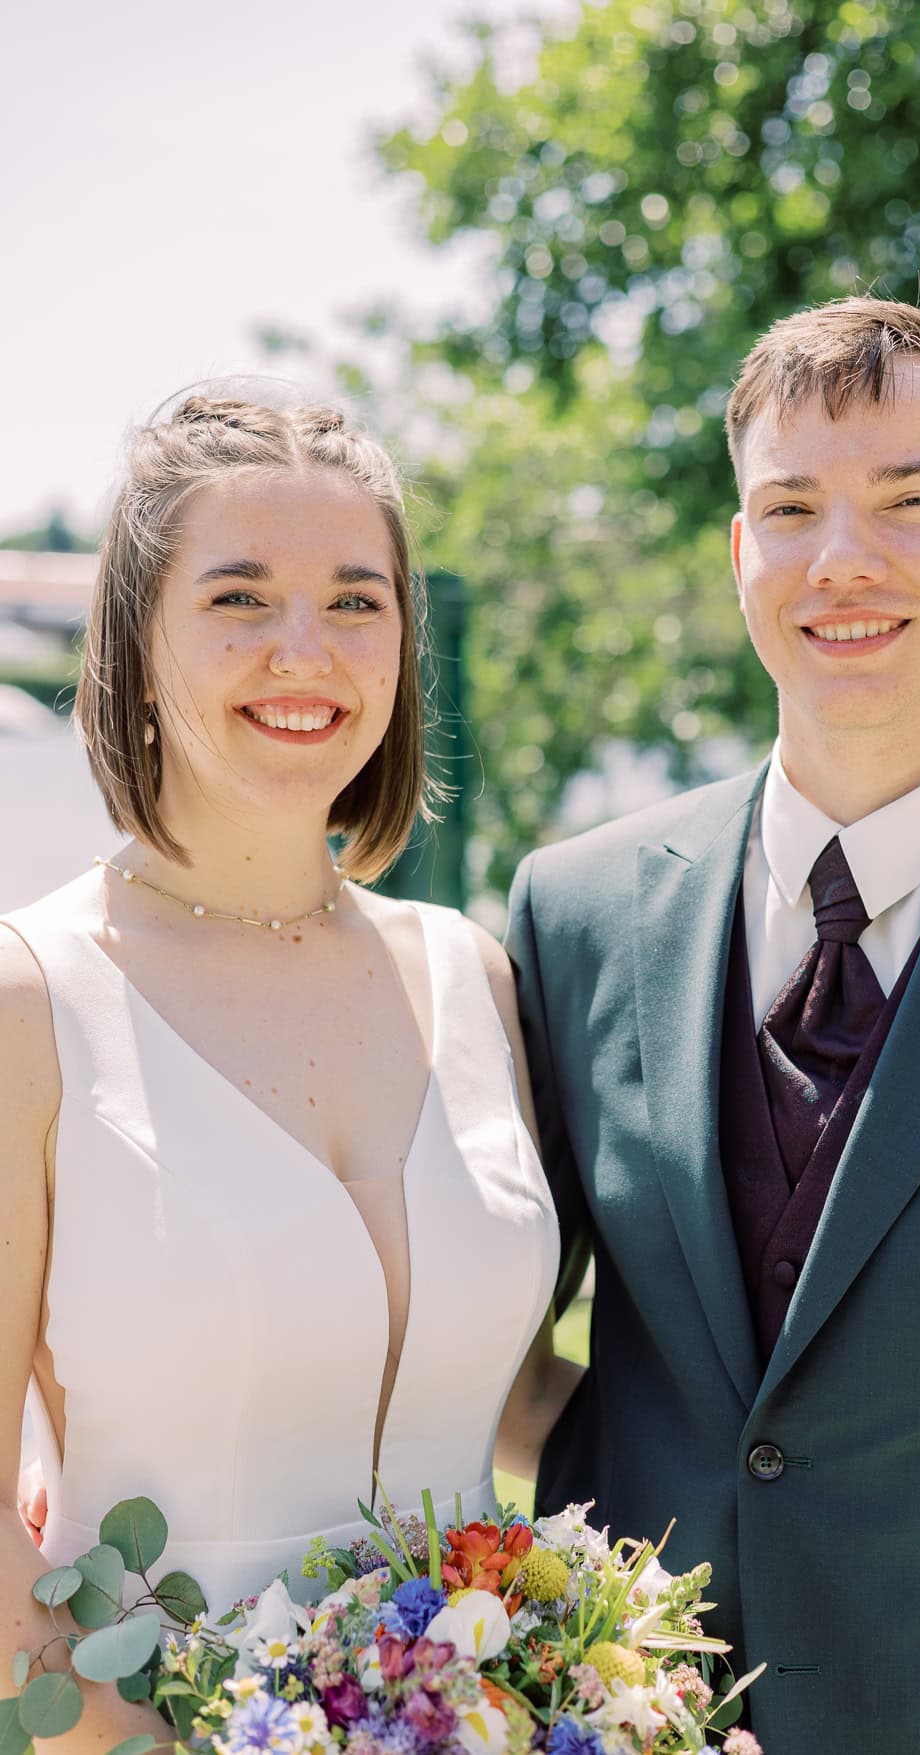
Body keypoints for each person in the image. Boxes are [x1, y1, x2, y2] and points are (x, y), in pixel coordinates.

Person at [505, 298, 920, 1754]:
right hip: (632, 1718)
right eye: (787, 507)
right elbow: (474, 1329)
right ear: (740, 550)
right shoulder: (573, 912)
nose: (839, 558)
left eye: (908, 502)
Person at [0, 395, 579, 1749]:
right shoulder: (31, 1001)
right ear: (137, 646)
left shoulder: (474, 977)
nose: (304, 652)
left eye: (356, 600)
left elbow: (522, 1404)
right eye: (241, 598)